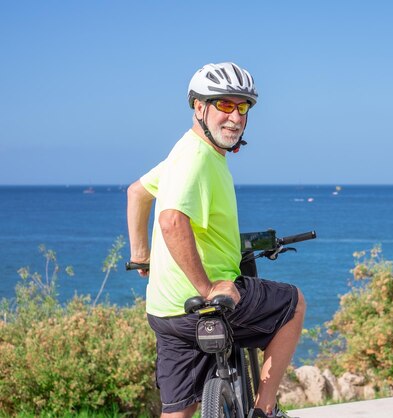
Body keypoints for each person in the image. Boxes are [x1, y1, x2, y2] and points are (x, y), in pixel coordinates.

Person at [126, 62, 305, 418]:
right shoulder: (197, 159)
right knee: (293, 303)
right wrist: (207, 287)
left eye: (243, 107)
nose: (235, 117)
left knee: (178, 410)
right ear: (199, 107)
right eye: (225, 105)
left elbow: (136, 193)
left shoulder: (183, 151)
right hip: (205, 302)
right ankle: (264, 411)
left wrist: (140, 255)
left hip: (165, 311)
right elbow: (172, 220)